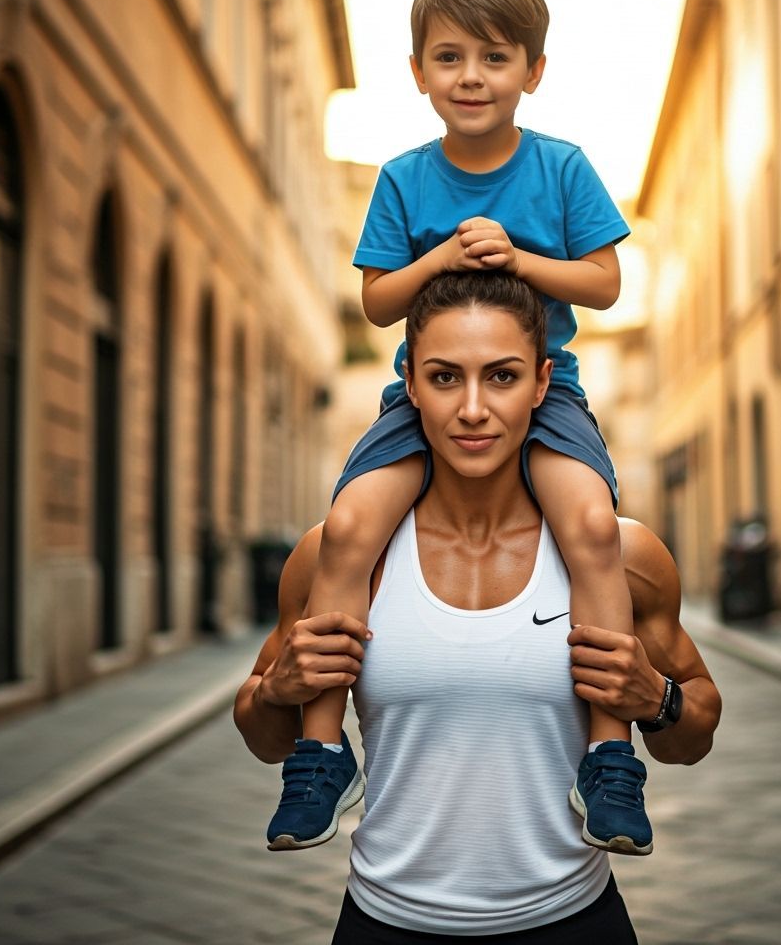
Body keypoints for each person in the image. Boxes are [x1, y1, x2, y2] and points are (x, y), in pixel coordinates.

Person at [266, 0, 655, 856]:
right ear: (418, 74)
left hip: (542, 389)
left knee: (594, 527)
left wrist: (516, 255)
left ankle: (610, 758)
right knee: (350, 526)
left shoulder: (561, 168)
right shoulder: (404, 178)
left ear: (533, 71)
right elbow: (376, 300)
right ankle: (321, 753)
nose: (471, 77)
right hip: (426, 390)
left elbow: (602, 284)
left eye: (494, 57)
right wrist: (440, 260)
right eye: (449, 58)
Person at [235, 272, 722, 942]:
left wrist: (656, 698)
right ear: (409, 385)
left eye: (501, 377)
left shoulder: (619, 555)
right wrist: (277, 693)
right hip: (385, 925)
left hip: (572, 925)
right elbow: (263, 736)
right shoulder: (341, 555)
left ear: (544, 384)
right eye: (443, 378)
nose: (471, 410)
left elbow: (696, 730)